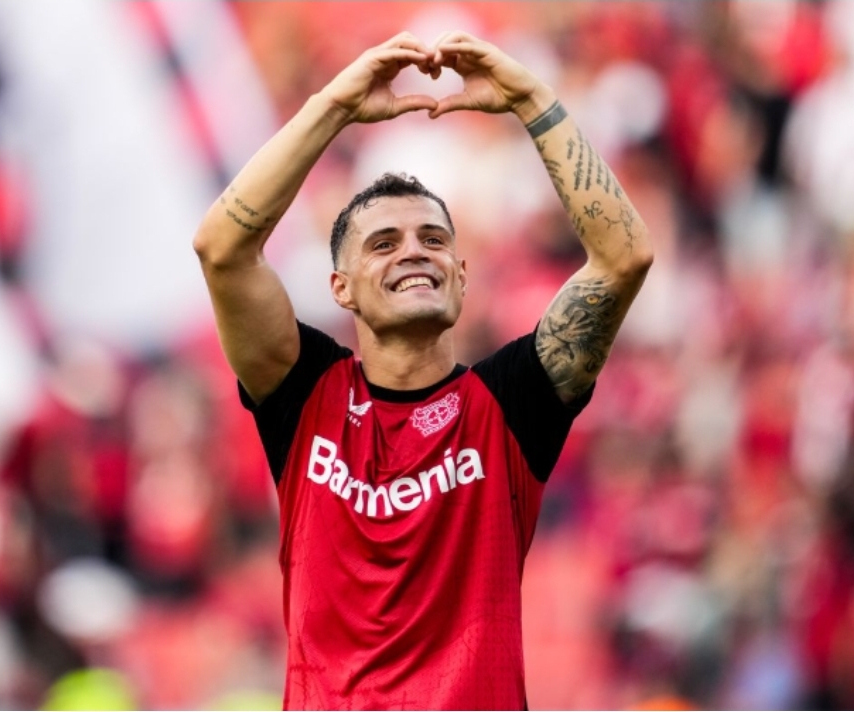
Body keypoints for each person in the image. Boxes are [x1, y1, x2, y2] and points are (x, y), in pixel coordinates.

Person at [193, 30, 652, 710]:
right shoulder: (306, 395)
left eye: (433, 239)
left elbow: (623, 258)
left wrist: (531, 99)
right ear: (341, 287)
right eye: (383, 243)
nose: (413, 252)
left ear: (461, 278)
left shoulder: (509, 405)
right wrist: (335, 106)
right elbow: (222, 248)